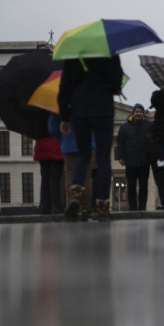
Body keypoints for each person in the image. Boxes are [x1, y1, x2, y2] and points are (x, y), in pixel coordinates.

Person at [58, 56, 124, 220]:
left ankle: (75, 195)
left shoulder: (73, 56)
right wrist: (115, 88)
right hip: (103, 109)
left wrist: (64, 117)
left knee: (84, 153)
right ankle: (102, 206)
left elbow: (64, 87)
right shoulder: (109, 53)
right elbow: (117, 82)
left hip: (80, 110)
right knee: (103, 158)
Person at [48, 114, 94, 221]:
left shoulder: (59, 101)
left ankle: (72, 203)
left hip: (68, 143)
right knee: (86, 176)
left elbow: (52, 127)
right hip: (86, 142)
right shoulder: (87, 99)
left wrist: (64, 139)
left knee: (69, 175)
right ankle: (86, 209)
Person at [116, 103, 151, 211]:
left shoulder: (148, 125)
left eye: (140, 111)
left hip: (144, 160)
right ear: (133, 113)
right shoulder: (124, 126)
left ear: (143, 113)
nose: (138, 114)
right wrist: (120, 157)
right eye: (136, 111)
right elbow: (120, 143)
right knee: (131, 186)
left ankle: (142, 206)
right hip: (130, 161)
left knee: (143, 186)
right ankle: (132, 206)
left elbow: (152, 142)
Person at [34, 136, 64, 214]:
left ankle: (44, 206)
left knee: (45, 178)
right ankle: (56, 206)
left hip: (41, 147)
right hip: (55, 147)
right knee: (55, 179)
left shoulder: (38, 123)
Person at [146, 110, 164, 209]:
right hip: (154, 161)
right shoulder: (148, 130)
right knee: (159, 183)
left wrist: (162, 157)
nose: (152, 120)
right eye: (151, 118)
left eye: (154, 118)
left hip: (162, 160)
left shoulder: (163, 129)